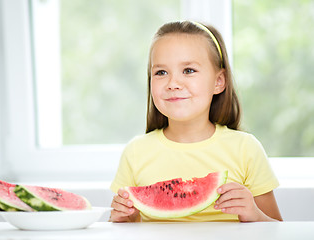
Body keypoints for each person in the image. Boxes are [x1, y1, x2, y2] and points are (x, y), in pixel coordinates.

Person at [109, 21, 282, 223]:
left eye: (189, 70)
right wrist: (122, 219)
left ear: (219, 81)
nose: (173, 83)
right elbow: (123, 228)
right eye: (161, 72)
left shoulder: (246, 149)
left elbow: (277, 229)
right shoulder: (135, 152)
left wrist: (255, 214)